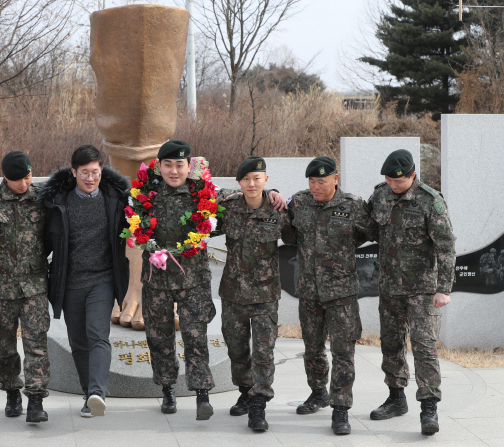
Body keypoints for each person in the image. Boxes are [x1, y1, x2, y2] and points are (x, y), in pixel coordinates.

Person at [367, 149, 456, 436]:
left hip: (423, 289)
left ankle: (429, 407)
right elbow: (365, 226)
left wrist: (443, 289)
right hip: (390, 287)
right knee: (391, 345)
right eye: (389, 180)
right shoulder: (379, 196)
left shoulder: (431, 201)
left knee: (424, 347)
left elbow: (446, 246)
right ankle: (396, 399)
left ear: (413, 175)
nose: (393, 185)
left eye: (399, 181)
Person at [284, 156, 373, 435]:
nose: (315, 187)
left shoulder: (353, 205)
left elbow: (370, 232)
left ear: (336, 178)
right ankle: (318, 392)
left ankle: (341, 408)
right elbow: (288, 236)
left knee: (343, 352)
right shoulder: (299, 202)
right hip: (309, 291)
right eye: (311, 181)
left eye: (321, 181)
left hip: (342, 293)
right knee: (312, 348)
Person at [40, 145, 130, 418]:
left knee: (98, 335)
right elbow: (44, 244)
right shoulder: (59, 203)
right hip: (69, 283)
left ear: (102, 171)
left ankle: (97, 392)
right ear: (74, 172)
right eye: (84, 173)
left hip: (103, 279)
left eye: (95, 172)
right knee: (78, 342)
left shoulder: (116, 200)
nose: (90, 178)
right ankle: (88, 395)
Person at [140, 140, 217, 420]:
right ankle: (168, 389)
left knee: (196, 338)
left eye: (179, 165)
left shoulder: (202, 194)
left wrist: (274, 194)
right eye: (168, 165)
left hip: (192, 281)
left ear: (188, 166)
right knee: (160, 339)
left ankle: (202, 394)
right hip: (156, 281)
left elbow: (239, 196)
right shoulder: (144, 196)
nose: (174, 171)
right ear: (159, 167)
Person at [217, 156, 293, 432]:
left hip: (264, 294)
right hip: (233, 292)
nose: (252, 183)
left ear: (266, 181)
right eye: (246, 179)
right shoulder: (227, 208)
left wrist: (279, 195)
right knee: (236, 349)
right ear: (239, 183)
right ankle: (245, 390)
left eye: (257, 178)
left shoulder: (278, 209)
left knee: (263, 351)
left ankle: (259, 404)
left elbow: (295, 237)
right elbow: (204, 209)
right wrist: (227, 194)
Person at [0, 151, 50, 422]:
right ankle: (12, 392)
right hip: (0, 289)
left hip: (34, 287)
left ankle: (35, 400)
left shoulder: (41, 197)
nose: (24, 184)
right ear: (5, 177)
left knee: (37, 345)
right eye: (17, 179)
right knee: (4, 347)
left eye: (28, 177)